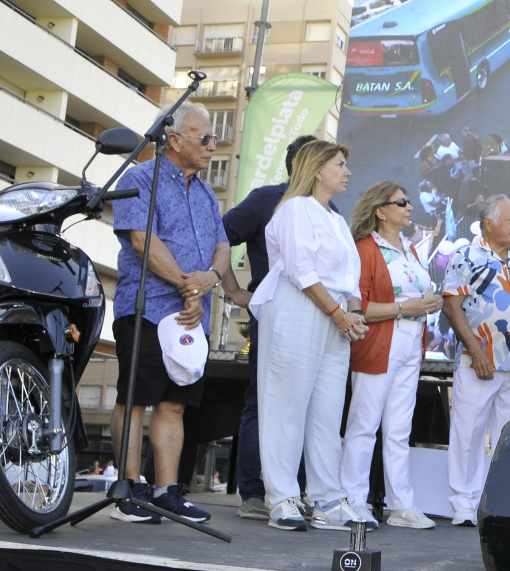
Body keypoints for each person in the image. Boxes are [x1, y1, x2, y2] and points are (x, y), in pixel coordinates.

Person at [110, 101, 247, 524]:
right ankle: (129, 490)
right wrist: (187, 284)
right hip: (147, 308)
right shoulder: (140, 178)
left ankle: (168, 492)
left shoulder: (207, 193)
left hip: (192, 317)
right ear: (173, 139)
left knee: (174, 404)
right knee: (135, 400)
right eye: (204, 138)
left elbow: (223, 247)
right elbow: (141, 240)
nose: (212, 146)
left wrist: (209, 278)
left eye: (214, 139)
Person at [248, 140, 368, 531]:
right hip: (299, 306)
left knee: (327, 410)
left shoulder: (335, 218)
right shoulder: (296, 208)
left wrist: (352, 313)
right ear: (318, 169)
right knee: (286, 406)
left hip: (335, 315)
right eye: (340, 164)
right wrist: (339, 314)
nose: (347, 171)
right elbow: (300, 270)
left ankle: (326, 498)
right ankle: (282, 496)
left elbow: (351, 280)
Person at [221, 134, 321, 520]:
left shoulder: (324, 210)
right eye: (326, 161)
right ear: (301, 164)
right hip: (274, 319)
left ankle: (291, 491)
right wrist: (232, 289)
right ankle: (253, 492)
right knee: (262, 401)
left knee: (300, 404)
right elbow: (219, 235)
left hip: (314, 322)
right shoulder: (267, 200)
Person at [341, 182, 444, 531]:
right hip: (380, 342)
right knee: (364, 425)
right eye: (401, 202)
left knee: (400, 429)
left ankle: (401, 504)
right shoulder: (366, 249)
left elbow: (415, 296)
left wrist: (429, 303)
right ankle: (353, 499)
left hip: (411, 343)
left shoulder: (410, 249)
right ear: (381, 210)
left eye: (409, 200)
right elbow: (360, 307)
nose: (409, 206)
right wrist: (406, 307)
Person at [442, 195, 510, 526]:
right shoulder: (466, 255)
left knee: (508, 437)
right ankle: (463, 503)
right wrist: (475, 349)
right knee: (468, 433)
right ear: (489, 223)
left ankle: (499, 500)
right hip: (478, 361)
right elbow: (452, 305)